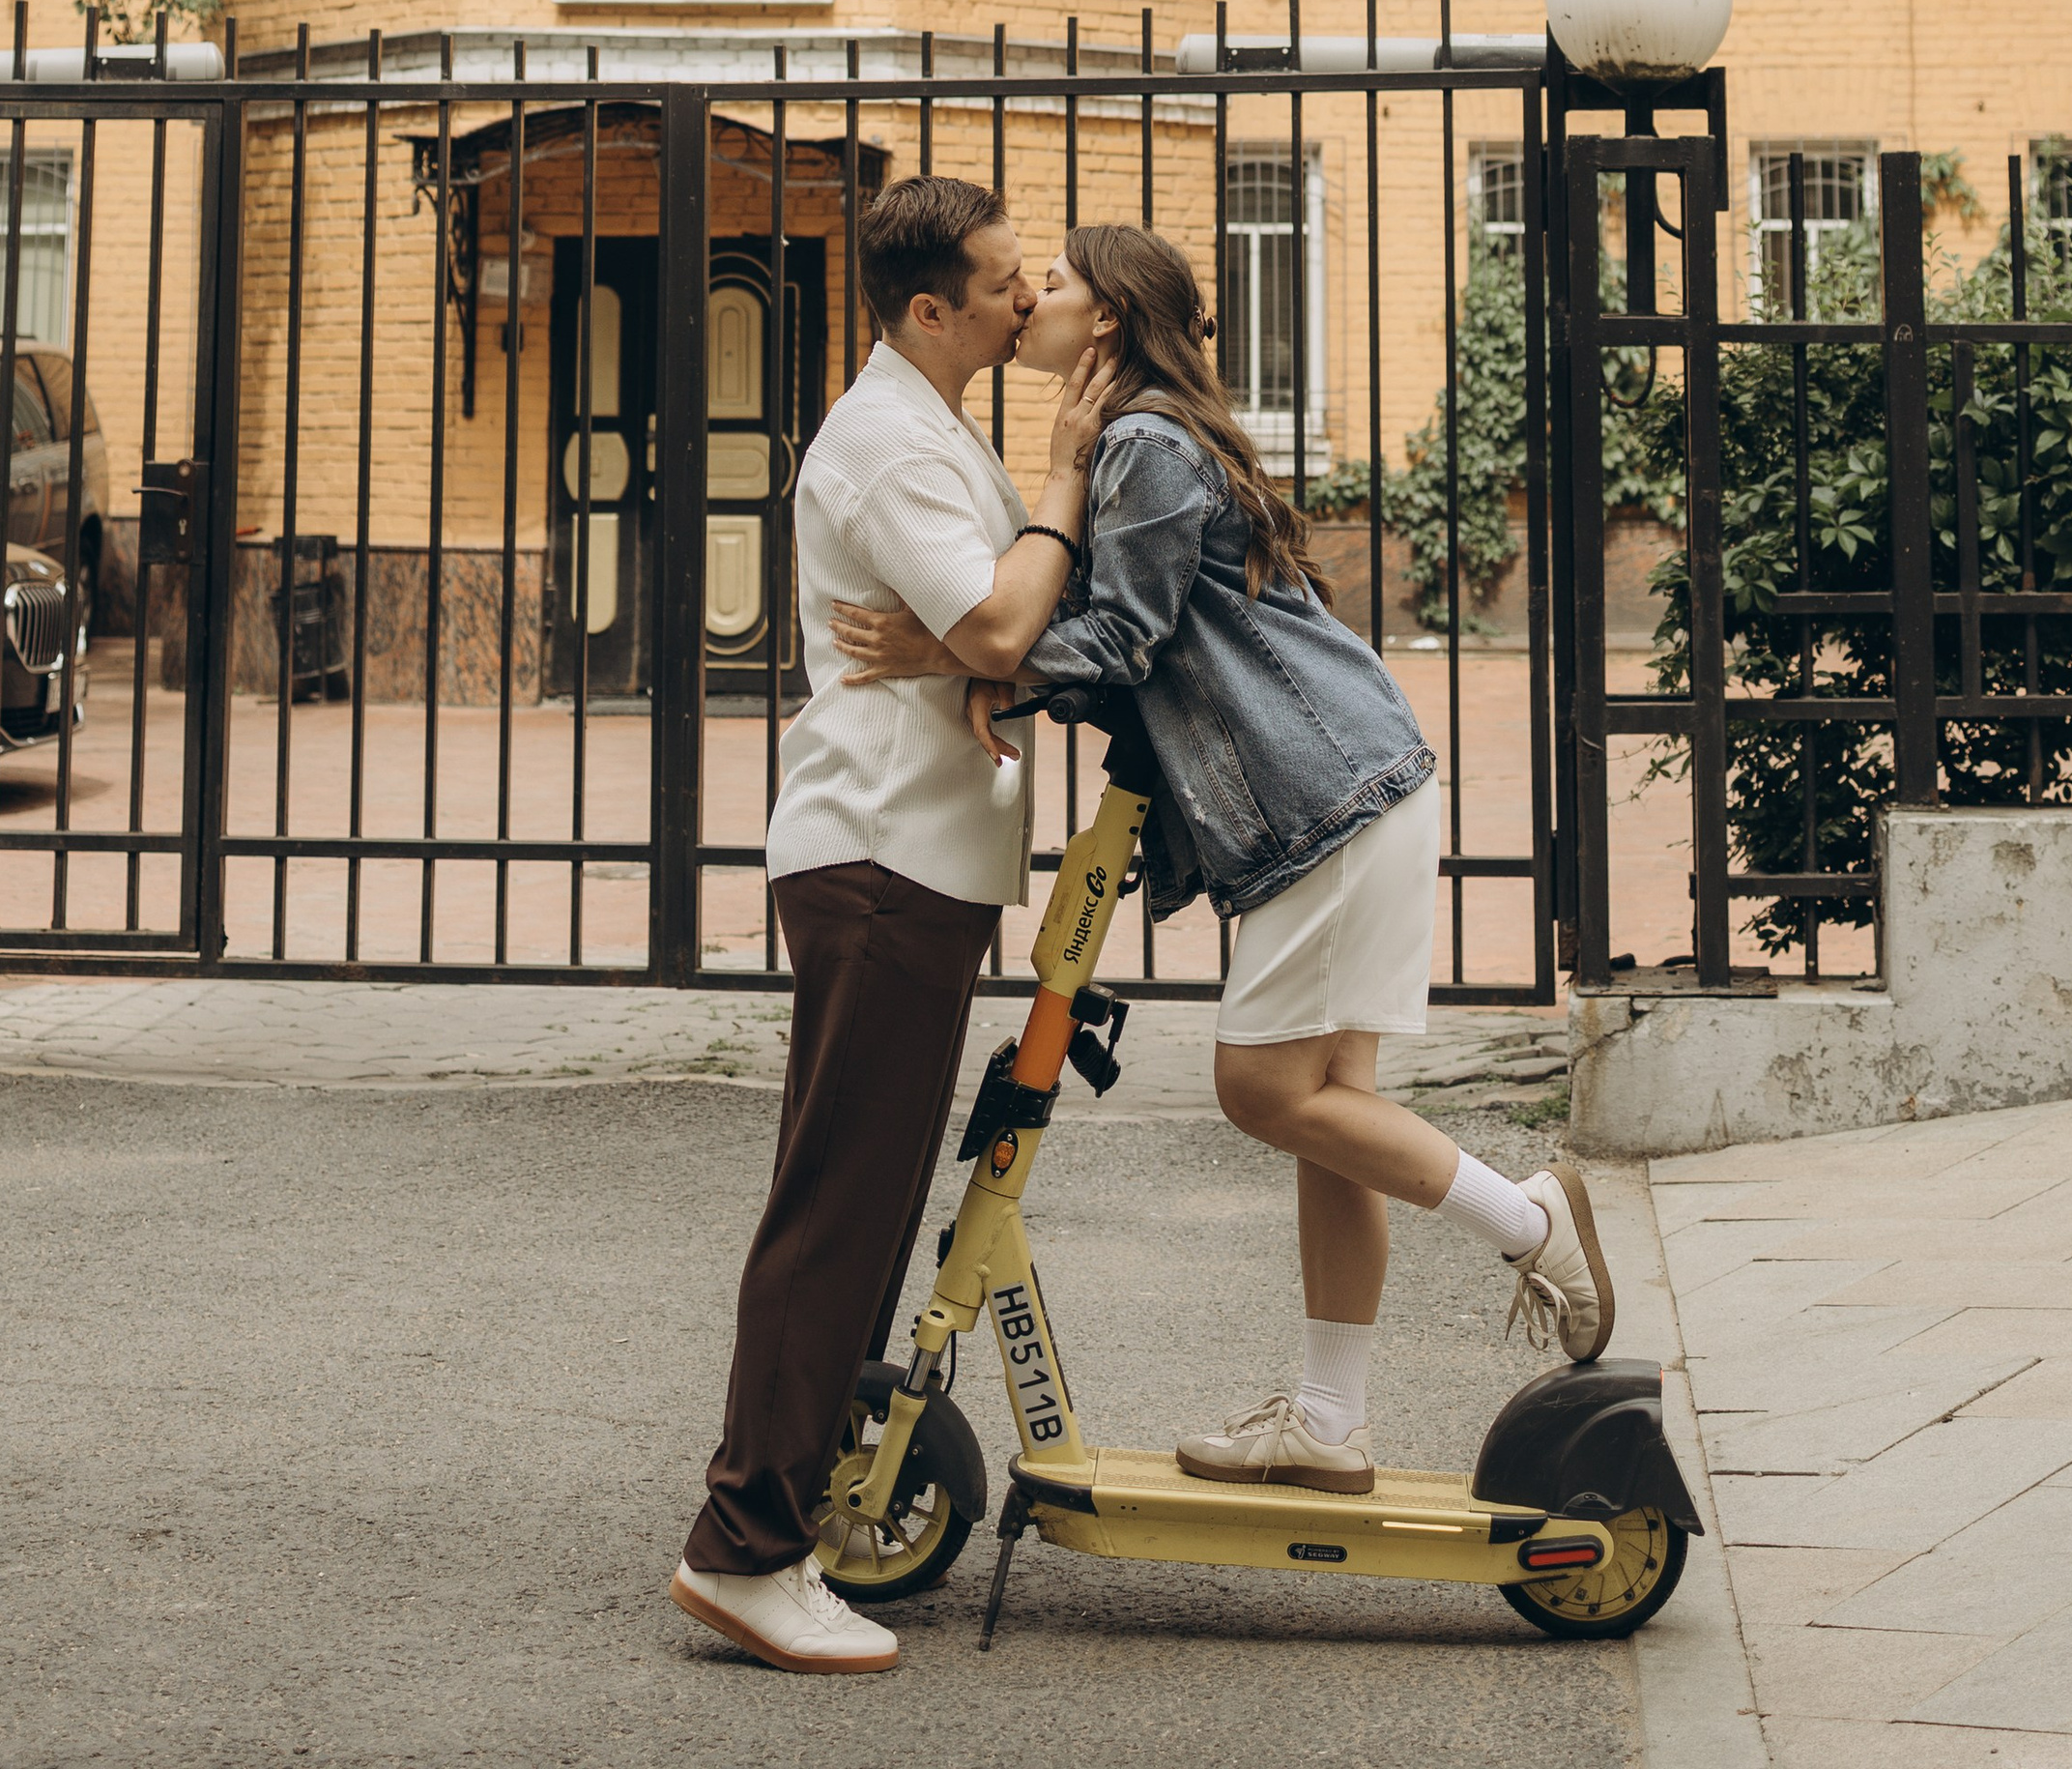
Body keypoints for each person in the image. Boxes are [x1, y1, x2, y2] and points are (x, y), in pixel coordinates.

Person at [833, 218, 1611, 1507]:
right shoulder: (1147, 439)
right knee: (1332, 1121)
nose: (1032, 299)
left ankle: (1533, 1222)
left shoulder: (1140, 441)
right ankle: (1329, 1422)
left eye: (1059, 285)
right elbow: (1124, 631)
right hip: (1352, 788)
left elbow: (1122, 640)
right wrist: (1010, 640)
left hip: (1328, 802)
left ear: (1113, 322)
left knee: (1262, 1088)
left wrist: (960, 652)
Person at [672, 176, 1112, 1676]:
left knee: (854, 1207)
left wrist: (973, 635)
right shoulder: (889, 445)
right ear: (931, 307)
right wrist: (1055, 487)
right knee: (836, 1208)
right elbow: (1005, 624)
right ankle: (743, 1549)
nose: (1025, 293)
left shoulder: (928, 426)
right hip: (878, 864)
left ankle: (784, 1519)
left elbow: (995, 632)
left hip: (913, 862)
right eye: (1001, 279)